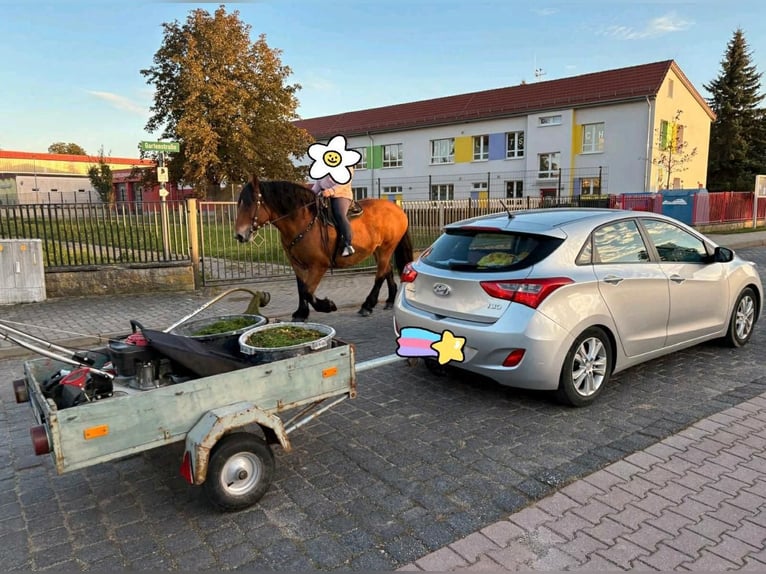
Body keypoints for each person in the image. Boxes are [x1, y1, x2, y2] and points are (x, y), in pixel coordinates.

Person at [311, 167, 356, 256]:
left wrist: (331, 191)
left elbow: (345, 182)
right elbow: (318, 183)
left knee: (339, 213)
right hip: (324, 195)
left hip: (341, 195)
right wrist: (310, 194)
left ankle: (348, 244)